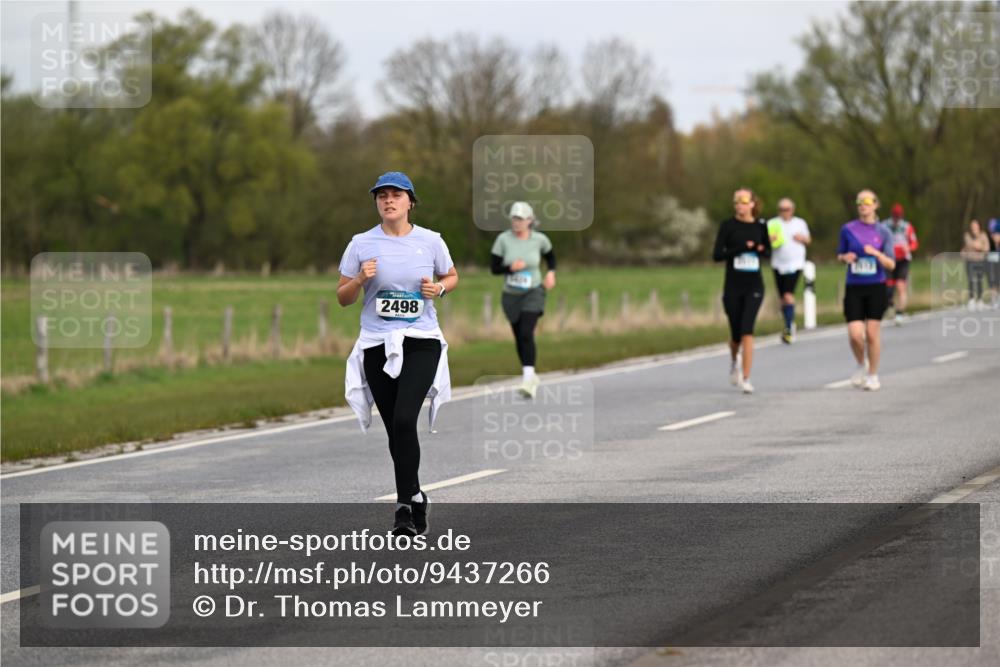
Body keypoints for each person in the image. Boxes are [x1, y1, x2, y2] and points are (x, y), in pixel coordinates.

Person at [338, 171, 458, 537]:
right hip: (376, 342)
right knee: (395, 428)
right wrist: (360, 279)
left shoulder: (430, 241)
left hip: (421, 339)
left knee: (406, 419)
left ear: (410, 202)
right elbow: (343, 297)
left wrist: (438, 288)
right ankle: (417, 496)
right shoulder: (360, 243)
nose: (388, 201)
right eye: (382, 196)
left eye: (396, 195)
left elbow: (452, 276)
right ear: (376, 202)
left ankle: (403, 507)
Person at [490, 201, 557, 398]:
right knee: (520, 336)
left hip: (534, 291)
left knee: (527, 332)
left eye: (520, 219)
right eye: (514, 218)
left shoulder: (540, 240)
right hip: (511, 295)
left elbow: (551, 257)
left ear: (530, 220)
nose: (516, 222)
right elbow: (494, 268)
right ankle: (530, 374)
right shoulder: (503, 240)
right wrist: (510, 268)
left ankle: (528, 379)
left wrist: (551, 273)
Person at [713, 187, 771, 394]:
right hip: (733, 286)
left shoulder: (760, 226)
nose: (740, 205)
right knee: (736, 335)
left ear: (753, 204)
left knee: (748, 330)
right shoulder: (728, 226)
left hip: (754, 285)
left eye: (744, 201)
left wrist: (759, 248)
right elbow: (717, 255)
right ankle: (733, 360)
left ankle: (746, 378)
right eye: (737, 201)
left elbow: (768, 252)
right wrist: (741, 248)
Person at [836, 189, 895, 392]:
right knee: (854, 335)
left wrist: (877, 254)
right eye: (859, 201)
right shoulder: (848, 229)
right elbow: (840, 255)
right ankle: (862, 363)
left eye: (867, 201)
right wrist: (846, 258)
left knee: (871, 333)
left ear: (876, 205)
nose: (863, 205)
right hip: (854, 286)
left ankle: (873, 376)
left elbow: (891, 264)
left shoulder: (884, 231)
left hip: (876, 286)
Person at [766, 197, 811, 343]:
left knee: (787, 295)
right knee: (782, 299)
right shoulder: (772, 223)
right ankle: (788, 323)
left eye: (787, 209)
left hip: (795, 263)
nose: (784, 212)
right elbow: (765, 242)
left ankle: (788, 327)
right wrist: (770, 240)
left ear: (792, 210)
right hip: (778, 263)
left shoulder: (800, 223)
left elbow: (808, 240)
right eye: (781, 209)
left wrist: (802, 238)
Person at [882, 203, 919, 325]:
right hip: (890, 259)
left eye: (898, 217)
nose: (896, 220)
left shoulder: (907, 227)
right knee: (888, 287)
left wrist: (908, 247)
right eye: (895, 217)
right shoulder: (884, 226)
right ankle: (890, 304)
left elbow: (914, 243)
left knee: (900, 286)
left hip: (903, 260)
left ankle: (900, 313)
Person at [961, 219, 990, 311]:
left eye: (975, 226)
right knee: (971, 280)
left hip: (980, 261)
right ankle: (971, 300)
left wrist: (979, 246)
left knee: (980, 280)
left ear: (979, 226)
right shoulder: (967, 235)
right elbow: (970, 244)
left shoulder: (983, 235)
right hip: (970, 261)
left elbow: (986, 248)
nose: (974, 228)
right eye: (972, 226)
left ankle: (980, 300)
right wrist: (978, 245)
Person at [987, 218, 1000, 308]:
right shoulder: (992, 243)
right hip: (994, 264)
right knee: (992, 278)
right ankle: (994, 298)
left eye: (995, 234)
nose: (993, 236)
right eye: (992, 234)